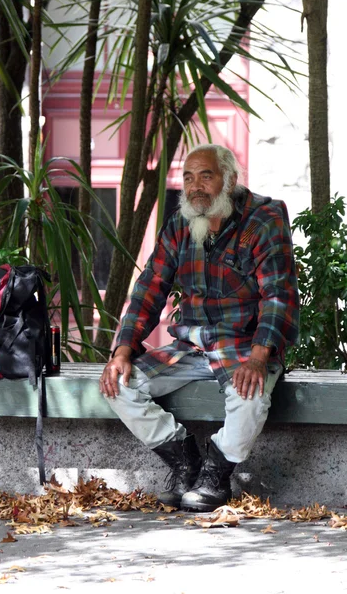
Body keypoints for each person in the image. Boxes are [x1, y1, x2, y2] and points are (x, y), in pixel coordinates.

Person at [99, 144, 299, 512]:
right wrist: (123, 350)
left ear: (230, 180)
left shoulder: (263, 219)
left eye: (205, 176)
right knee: (117, 385)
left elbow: (279, 294)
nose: (195, 187)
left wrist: (259, 356)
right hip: (192, 347)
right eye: (188, 177)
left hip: (245, 346)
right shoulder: (180, 223)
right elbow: (150, 287)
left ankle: (216, 474)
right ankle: (187, 462)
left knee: (250, 400)